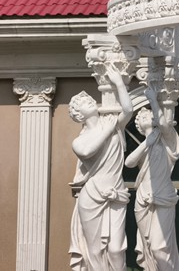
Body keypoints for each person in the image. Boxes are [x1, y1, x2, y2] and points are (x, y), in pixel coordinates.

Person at [68, 68, 132, 271]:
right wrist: (107, 128)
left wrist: (119, 83)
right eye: (84, 103)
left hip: (116, 193)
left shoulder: (113, 124)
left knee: (116, 249)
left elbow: (128, 111)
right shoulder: (80, 141)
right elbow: (87, 151)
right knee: (94, 251)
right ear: (78, 115)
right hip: (92, 196)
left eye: (89, 100)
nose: (90, 101)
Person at [124, 87, 179, 270]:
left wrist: (154, 101)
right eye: (141, 117)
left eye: (148, 114)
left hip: (163, 196)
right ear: (139, 127)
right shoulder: (144, 145)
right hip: (143, 199)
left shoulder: (166, 139)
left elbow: (164, 124)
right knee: (148, 247)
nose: (145, 116)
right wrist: (145, 144)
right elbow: (129, 163)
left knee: (159, 247)